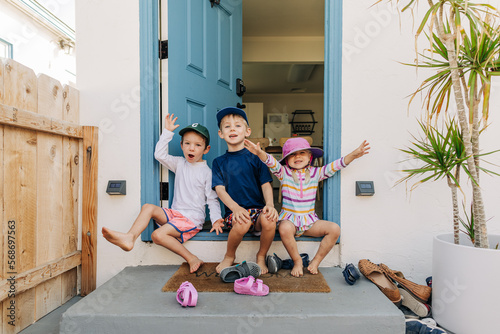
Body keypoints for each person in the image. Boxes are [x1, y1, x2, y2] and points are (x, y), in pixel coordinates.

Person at [102, 114, 224, 273]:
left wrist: (216, 220)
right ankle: (130, 237)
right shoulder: (180, 163)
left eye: (197, 145)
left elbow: (212, 199)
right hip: (175, 214)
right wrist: (167, 132)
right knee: (148, 207)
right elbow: (159, 155)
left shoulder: (207, 172)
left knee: (157, 235)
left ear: (206, 149)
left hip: (192, 219)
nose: (191, 148)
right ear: (181, 145)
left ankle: (192, 257)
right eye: (187, 143)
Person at [244, 136, 370, 277]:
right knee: (284, 227)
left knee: (334, 229)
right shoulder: (283, 172)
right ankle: (297, 261)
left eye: (302, 153)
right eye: (292, 154)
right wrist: (259, 152)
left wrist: (353, 154)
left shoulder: (317, 173)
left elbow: (336, 166)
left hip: (309, 222)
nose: (297, 156)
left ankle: (315, 261)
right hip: (290, 221)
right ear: (286, 159)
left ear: (310, 156)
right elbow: (271, 162)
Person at [212, 107, 279, 275]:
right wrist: (235, 208)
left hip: (256, 212)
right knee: (242, 222)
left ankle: (261, 256)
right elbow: (220, 190)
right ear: (221, 134)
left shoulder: (256, 157)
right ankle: (229, 256)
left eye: (237, 126)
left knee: (270, 220)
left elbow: (266, 184)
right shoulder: (218, 162)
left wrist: (270, 204)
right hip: (234, 214)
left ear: (247, 131)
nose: (232, 129)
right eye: (227, 126)